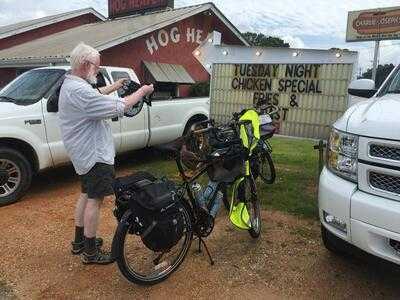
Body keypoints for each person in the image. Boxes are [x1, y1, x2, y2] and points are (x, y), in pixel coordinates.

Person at [58, 42, 154, 265]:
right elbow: (119, 107)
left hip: (82, 154)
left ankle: (80, 242)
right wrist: (143, 91)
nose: (99, 71)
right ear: (85, 64)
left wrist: (115, 86)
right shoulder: (80, 91)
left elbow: (95, 94)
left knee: (85, 194)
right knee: (95, 200)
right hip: (94, 155)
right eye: (97, 67)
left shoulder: (71, 84)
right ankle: (90, 253)